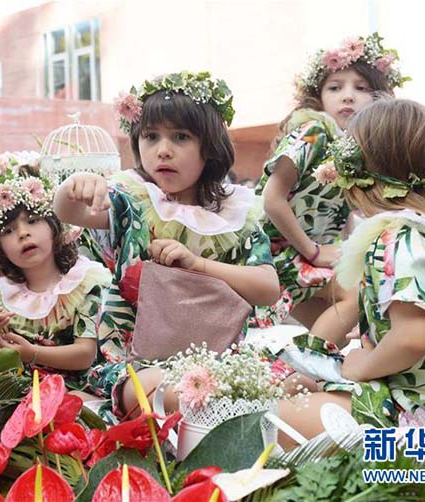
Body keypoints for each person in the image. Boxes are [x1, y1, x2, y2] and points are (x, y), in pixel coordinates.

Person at [275, 99, 425, 448]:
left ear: (358, 171)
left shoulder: (397, 236)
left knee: (277, 420)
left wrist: (359, 369)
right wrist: (324, 362)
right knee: (296, 390)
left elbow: (411, 339)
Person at [53, 71, 279, 419]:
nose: (163, 150)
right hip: (137, 362)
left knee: (298, 387)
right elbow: (71, 212)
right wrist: (73, 186)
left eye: (181, 137)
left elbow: (268, 288)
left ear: (210, 146)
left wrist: (197, 264)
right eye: (151, 136)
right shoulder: (131, 199)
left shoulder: (238, 212)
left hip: (226, 356)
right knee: (172, 390)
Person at [254, 34, 407, 342]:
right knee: (353, 290)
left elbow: (344, 212)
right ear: (318, 96)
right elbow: (272, 199)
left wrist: (349, 250)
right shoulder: (313, 131)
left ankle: (311, 367)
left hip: (307, 254)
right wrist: (313, 250)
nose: (347, 96)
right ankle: (313, 364)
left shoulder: (355, 149)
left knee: (334, 319)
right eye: (335, 87)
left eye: (361, 88)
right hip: (274, 250)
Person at [0, 152, 110, 395]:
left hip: (68, 388)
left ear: (54, 226)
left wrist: (32, 353)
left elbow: (84, 354)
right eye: (8, 231)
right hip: (9, 387)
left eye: (34, 221)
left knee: (77, 405)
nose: (23, 234)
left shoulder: (83, 281)